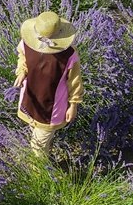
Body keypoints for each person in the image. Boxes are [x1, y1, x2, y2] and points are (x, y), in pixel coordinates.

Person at [13, 11, 84, 158]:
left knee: (37, 146)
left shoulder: (69, 55)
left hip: (52, 106)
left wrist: (73, 105)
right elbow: (22, 57)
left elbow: (75, 81)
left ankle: (38, 174)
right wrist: (21, 72)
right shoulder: (28, 43)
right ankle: (45, 156)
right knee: (36, 132)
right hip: (31, 97)